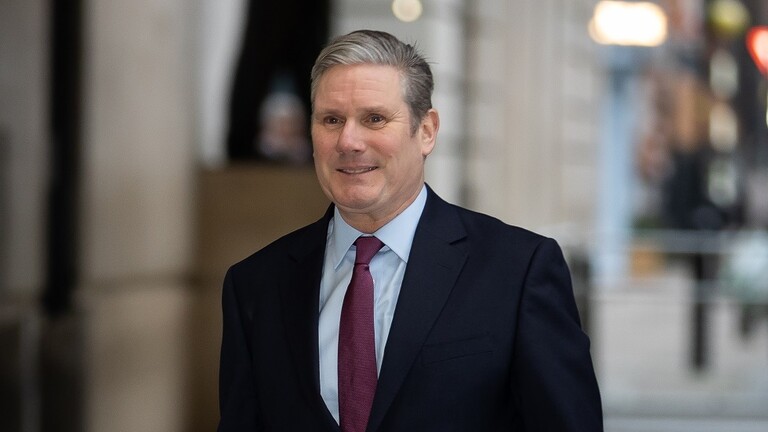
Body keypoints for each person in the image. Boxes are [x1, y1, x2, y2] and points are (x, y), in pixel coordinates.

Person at [218, 29, 603, 431]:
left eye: (375, 119)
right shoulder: (255, 285)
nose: (348, 141)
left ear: (427, 131)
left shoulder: (517, 271)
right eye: (332, 120)